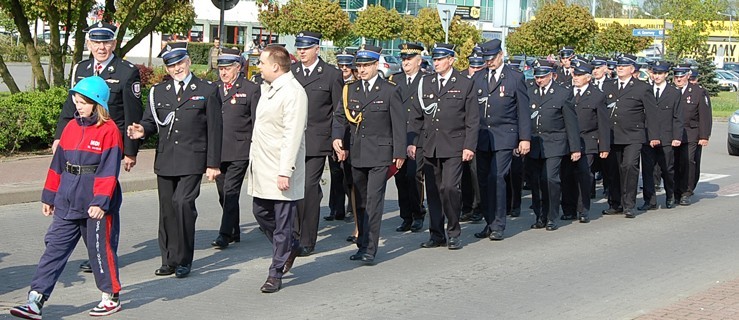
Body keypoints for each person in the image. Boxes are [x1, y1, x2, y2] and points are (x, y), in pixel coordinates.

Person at [11, 76, 124, 319]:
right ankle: (35, 300)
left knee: (99, 251)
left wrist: (100, 202)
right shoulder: (71, 128)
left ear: (97, 103)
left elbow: (109, 170)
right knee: (54, 248)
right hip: (67, 199)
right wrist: (49, 196)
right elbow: (57, 165)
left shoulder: (109, 131)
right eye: (76, 100)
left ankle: (110, 296)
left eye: (83, 101)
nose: (78, 105)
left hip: (95, 203)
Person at [52, 21, 142, 274]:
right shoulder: (81, 68)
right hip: (82, 143)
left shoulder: (126, 71)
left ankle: (105, 252)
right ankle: (95, 249)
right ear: (89, 44)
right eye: (96, 42)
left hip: (110, 144)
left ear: (114, 44)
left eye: (106, 42)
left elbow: (132, 113)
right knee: (87, 194)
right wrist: (60, 136)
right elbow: (71, 107)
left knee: (107, 196)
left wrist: (130, 151)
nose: (101, 47)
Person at [127, 42, 222, 278]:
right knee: (168, 210)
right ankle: (168, 260)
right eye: (171, 65)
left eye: (180, 62)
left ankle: (183, 259)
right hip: (166, 159)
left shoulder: (207, 90)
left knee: (183, 204)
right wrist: (142, 131)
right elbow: (151, 121)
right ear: (167, 68)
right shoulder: (158, 92)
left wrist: (213, 164)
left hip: (192, 159)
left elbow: (215, 130)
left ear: (188, 62)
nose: (176, 68)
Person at [332, 44, 406, 262]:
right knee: (361, 201)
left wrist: (399, 152)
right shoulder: (350, 90)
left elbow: (399, 124)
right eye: (359, 66)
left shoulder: (389, 90)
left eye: (366, 65)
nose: (362, 70)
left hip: (381, 154)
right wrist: (337, 137)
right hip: (358, 153)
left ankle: (370, 248)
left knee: (374, 201)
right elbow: (339, 117)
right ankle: (361, 243)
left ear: (376, 65)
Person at [246, 45, 308, 293]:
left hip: (281, 168)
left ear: (275, 65)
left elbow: (292, 134)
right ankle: (290, 246)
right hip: (263, 166)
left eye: (262, 62)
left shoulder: (294, 92)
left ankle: (276, 272)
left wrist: (285, 170)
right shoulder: (269, 88)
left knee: (283, 223)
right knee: (260, 212)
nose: (258, 66)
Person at [410, 43, 478, 250]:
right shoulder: (426, 82)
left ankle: (454, 231)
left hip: (455, 145)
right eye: (434, 59)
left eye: (440, 59)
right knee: (433, 191)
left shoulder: (465, 83)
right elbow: (416, 116)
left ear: (451, 60)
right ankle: (436, 234)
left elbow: (473, 119)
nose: (436, 63)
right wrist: (413, 143)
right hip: (431, 145)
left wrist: (469, 146)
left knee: (449, 188)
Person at [471, 39, 531, 241]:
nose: (489, 62)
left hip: (505, 136)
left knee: (496, 178)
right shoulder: (478, 77)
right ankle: (489, 221)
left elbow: (523, 110)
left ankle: (498, 224)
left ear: (501, 54)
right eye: (486, 59)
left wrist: (524, 138)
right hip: (482, 137)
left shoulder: (515, 77)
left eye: (492, 58)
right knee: (483, 182)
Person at [291, 31, 344, 257]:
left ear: (317, 49)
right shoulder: (290, 73)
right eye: (299, 48)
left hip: (316, 140)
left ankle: (307, 239)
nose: (301, 52)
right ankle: (292, 234)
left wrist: (336, 138)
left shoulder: (331, 75)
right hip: (292, 140)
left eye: (306, 48)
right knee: (292, 188)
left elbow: (338, 111)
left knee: (308, 187)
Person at [210, 48, 261, 249]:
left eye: (228, 68)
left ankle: (225, 234)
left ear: (238, 68)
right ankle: (234, 229)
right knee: (223, 193)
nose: (223, 72)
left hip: (240, 149)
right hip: (218, 151)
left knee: (231, 191)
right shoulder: (213, 88)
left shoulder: (250, 89)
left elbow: (256, 120)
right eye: (221, 68)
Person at [526, 59, 581, 231]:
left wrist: (575, 148)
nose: (539, 80)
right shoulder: (529, 92)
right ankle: (539, 215)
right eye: (537, 76)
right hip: (534, 143)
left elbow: (571, 123)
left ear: (551, 75)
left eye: (543, 76)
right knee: (535, 182)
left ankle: (551, 215)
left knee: (550, 178)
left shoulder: (562, 93)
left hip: (555, 142)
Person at [601, 54, 656, 218]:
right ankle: (615, 203)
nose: (620, 68)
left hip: (633, 135)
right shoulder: (608, 85)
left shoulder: (642, 87)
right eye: (618, 66)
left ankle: (629, 204)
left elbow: (652, 114)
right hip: (613, 135)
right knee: (613, 170)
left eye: (623, 66)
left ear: (632, 70)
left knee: (630, 167)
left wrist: (653, 136)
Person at [560, 59, 610, 223]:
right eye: (575, 74)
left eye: (580, 75)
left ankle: (583, 209)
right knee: (567, 175)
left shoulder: (597, 95)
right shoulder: (566, 92)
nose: (576, 77)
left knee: (584, 175)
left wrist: (604, 146)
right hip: (567, 140)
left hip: (587, 140)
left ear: (588, 77)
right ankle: (568, 209)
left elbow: (603, 123)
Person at [390, 42, 427, 233]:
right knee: (400, 178)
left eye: (409, 59)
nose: (405, 62)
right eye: (403, 58)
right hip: (399, 136)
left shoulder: (426, 80)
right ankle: (405, 216)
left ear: (419, 61)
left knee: (414, 176)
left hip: (417, 137)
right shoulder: (394, 80)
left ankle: (418, 213)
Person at [637, 61, 682, 211]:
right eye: (654, 73)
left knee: (667, 169)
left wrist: (677, 137)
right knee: (648, 170)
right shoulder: (646, 90)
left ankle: (670, 195)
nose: (656, 76)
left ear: (666, 75)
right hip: (648, 136)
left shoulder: (674, 92)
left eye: (660, 73)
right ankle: (649, 200)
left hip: (666, 137)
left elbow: (677, 117)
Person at [672, 64, 712, 206]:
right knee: (674, 162)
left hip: (691, 133)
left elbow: (705, 115)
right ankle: (675, 190)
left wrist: (704, 136)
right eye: (676, 77)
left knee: (688, 161)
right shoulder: (670, 91)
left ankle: (686, 191)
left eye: (681, 77)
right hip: (673, 133)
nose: (678, 79)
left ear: (688, 76)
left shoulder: (698, 92)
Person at [324, 49, 355, 223]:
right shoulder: (335, 81)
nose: (344, 68)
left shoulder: (354, 85)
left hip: (349, 135)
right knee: (335, 173)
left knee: (349, 174)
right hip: (333, 133)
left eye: (347, 66)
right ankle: (335, 207)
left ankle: (352, 207)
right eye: (341, 65)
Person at [460, 45, 484, 222]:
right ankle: (466, 206)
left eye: (479, 66)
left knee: (476, 172)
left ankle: (478, 206)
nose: (475, 70)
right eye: (473, 66)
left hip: (478, 131)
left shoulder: (484, 80)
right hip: (459, 132)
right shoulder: (460, 78)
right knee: (463, 174)